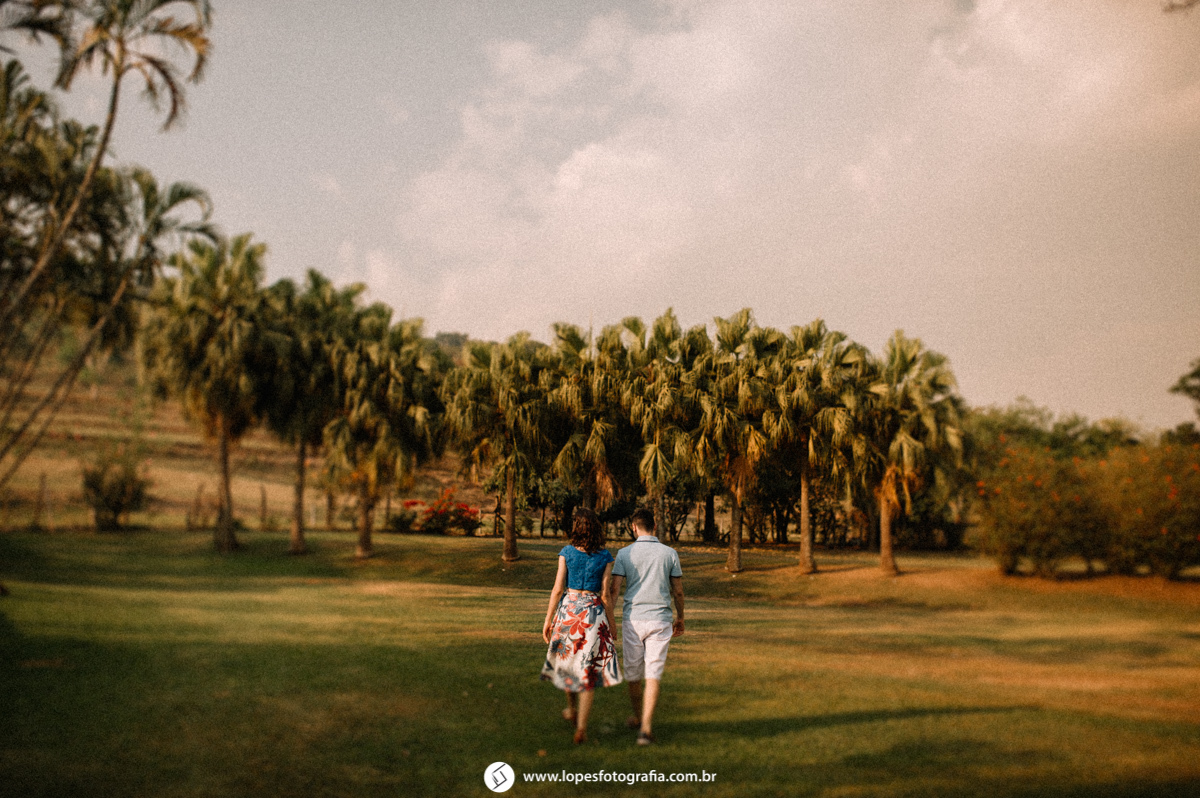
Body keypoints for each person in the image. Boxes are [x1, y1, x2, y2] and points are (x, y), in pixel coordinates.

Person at [541, 508, 622, 744]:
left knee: (567, 664)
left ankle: (572, 710)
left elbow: (557, 589)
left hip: (569, 612)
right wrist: (612, 625)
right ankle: (581, 728)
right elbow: (606, 595)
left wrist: (548, 619)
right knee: (587, 670)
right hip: (593, 614)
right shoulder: (605, 556)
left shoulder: (566, 552)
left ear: (576, 527)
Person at [609, 508, 684, 746]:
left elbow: (614, 590)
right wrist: (680, 617)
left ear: (634, 527)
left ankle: (642, 720)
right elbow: (678, 591)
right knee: (653, 673)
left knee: (633, 675)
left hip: (633, 619)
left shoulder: (624, 554)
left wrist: (608, 618)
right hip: (660, 620)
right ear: (655, 525)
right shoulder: (670, 553)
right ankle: (645, 727)